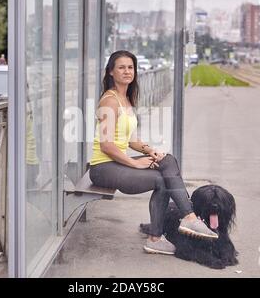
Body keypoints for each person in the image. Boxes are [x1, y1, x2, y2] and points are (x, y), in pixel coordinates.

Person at [89, 50, 218, 255]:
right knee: (161, 180)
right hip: (102, 168)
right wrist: (134, 163)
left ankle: (188, 218)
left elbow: (129, 140)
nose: (127, 71)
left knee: (167, 161)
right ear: (111, 72)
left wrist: (150, 151)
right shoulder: (110, 100)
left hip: (116, 163)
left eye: (130, 67)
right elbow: (107, 145)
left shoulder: (126, 99)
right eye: (121, 67)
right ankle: (160, 235)